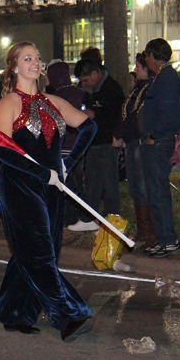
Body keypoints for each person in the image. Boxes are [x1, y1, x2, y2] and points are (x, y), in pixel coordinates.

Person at [0, 42, 97, 341]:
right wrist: (42, 172)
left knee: (34, 251)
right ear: (14, 67)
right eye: (28, 58)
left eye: (38, 57)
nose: (35, 62)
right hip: (20, 186)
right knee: (38, 254)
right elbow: (2, 150)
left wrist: (67, 164)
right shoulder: (8, 104)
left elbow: (88, 127)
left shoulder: (53, 101)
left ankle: (14, 311)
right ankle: (69, 314)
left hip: (52, 187)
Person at [140, 38, 180, 257]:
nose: (145, 59)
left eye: (147, 55)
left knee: (158, 191)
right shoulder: (160, 77)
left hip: (159, 142)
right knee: (154, 191)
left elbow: (167, 113)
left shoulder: (167, 78)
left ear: (153, 56)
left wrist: (153, 135)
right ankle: (162, 237)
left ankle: (169, 239)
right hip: (156, 141)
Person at [70, 59, 125, 231]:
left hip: (107, 142)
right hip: (93, 142)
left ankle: (111, 220)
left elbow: (115, 116)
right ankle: (89, 218)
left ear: (95, 74)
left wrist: (95, 114)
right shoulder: (91, 90)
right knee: (92, 182)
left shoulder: (112, 89)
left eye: (85, 80)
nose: (83, 84)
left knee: (109, 184)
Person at [114, 53, 155, 247]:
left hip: (138, 142)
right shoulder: (137, 89)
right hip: (130, 142)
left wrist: (120, 132)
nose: (135, 69)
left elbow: (135, 117)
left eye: (138, 66)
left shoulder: (148, 90)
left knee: (142, 186)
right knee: (135, 187)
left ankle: (149, 232)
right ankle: (142, 229)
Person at [45, 61, 86, 228]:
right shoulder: (81, 93)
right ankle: (79, 216)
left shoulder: (55, 98)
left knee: (64, 184)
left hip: (62, 147)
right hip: (79, 145)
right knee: (77, 182)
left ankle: (67, 217)